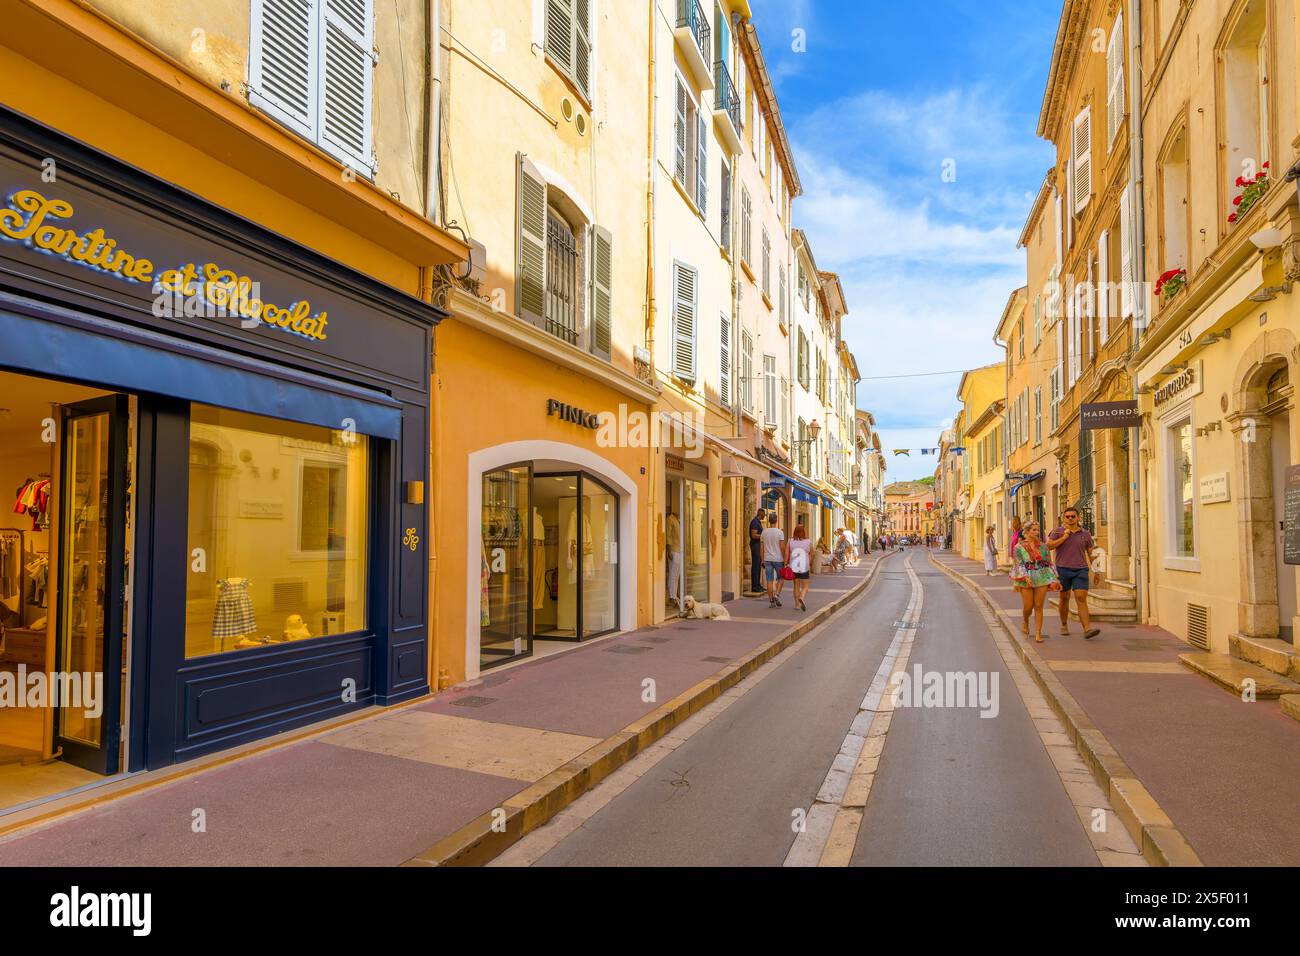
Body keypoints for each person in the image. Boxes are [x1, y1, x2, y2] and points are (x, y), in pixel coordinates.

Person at [1047, 507, 1101, 639]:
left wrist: (1097, 570)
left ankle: (1087, 629)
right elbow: (1049, 546)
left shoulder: (1085, 534)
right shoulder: (1057, 532)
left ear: (1078, 518)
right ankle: (1064, 624)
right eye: (1067, 516)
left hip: (1081, 570)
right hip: (1062, 569)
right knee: (1064, 598)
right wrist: (1065, 536)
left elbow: (1091, 553)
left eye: (1073, 516)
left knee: (1081, 598)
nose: (1070, 518)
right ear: (1064, 518)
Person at [1010, 521, 1058, 643]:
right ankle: (1025, 620)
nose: (1037, 532)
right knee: (1028, 607)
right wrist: (1025, 577)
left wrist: (1054, 578)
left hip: (1041, 575)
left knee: (1039, 606)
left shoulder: (1043, 546)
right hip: (1026, 576)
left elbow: (1049, 562)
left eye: (1038, 530)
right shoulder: (1018, 547)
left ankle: (1038, 633)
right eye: (1034, 530)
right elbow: (1018, 564)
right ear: (1026, 532)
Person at [760, 512, 787, 608]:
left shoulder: (764, 532)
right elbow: (782, 547)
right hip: (778, 559)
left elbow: (762, 548)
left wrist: (762, 560)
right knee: (781, 578)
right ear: (776, 521)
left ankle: (771, 601)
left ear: (769, 521)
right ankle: (777, 595)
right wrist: (785, 559)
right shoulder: (780, 532)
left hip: (767, 559)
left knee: (769, 580)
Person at [789, 523, 813, 612]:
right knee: (806, 586)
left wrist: (786, 563)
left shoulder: (790, 541)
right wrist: (809, 563)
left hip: (794, 566)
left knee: (796, 585)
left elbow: (787, 553)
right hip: (804, 566)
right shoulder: (808, 542)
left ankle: (797, 605)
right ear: (803, 532)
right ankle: (802, 597)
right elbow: (812, 553)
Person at [666, 504, 683, 613]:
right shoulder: (670, 520)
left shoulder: (678, 520)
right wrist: (668, 550)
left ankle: (674, 596)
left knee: (676, 575)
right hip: (674, 550)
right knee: (673, 575)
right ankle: (672, 597)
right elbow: (667, 535)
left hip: (679, 550)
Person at [748, 507, 766, 595]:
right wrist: (763, 536)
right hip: (755, 546)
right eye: (764, 514)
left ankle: (758, 585)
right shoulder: (755, 522)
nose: (764, 516)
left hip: (758, 546)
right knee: (755, 566)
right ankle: (754, 586)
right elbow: (754, 535)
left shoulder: (758, 522)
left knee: (758, 566)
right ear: (760, 514)